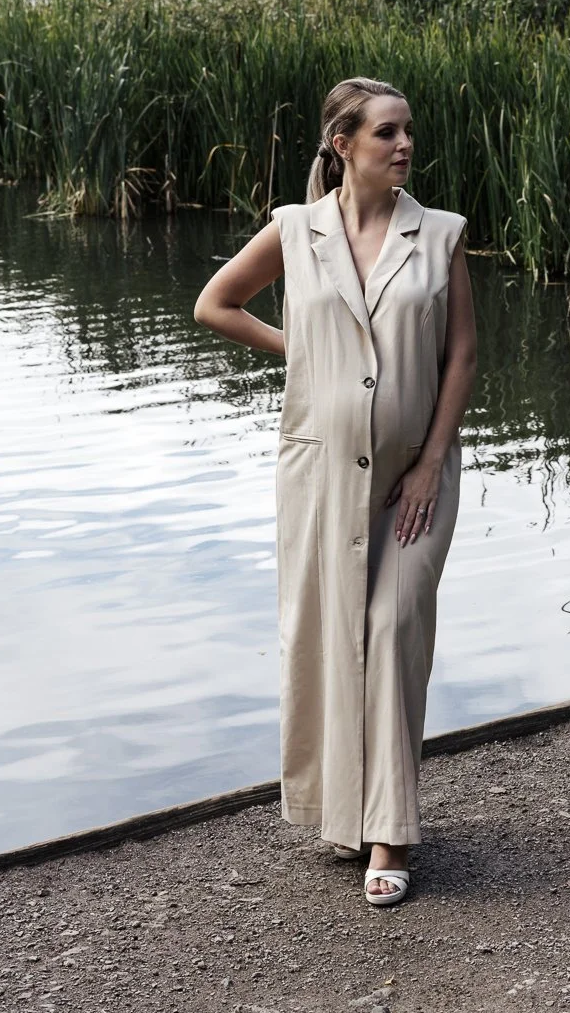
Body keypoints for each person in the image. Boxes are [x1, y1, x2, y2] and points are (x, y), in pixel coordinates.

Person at [194, 77, 477, 907]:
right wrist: (303, 351)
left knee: (391, 627)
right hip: (318, 471)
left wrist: (430, 459)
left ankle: (390, 832)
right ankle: (345, 815)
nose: (404, 145)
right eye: (386, 132)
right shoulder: (295, 229)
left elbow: (461, 356)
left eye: (409, 132)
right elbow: (216, 304)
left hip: (414, 476)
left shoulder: (441, 235)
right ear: (343, 144)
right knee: (327, 637)